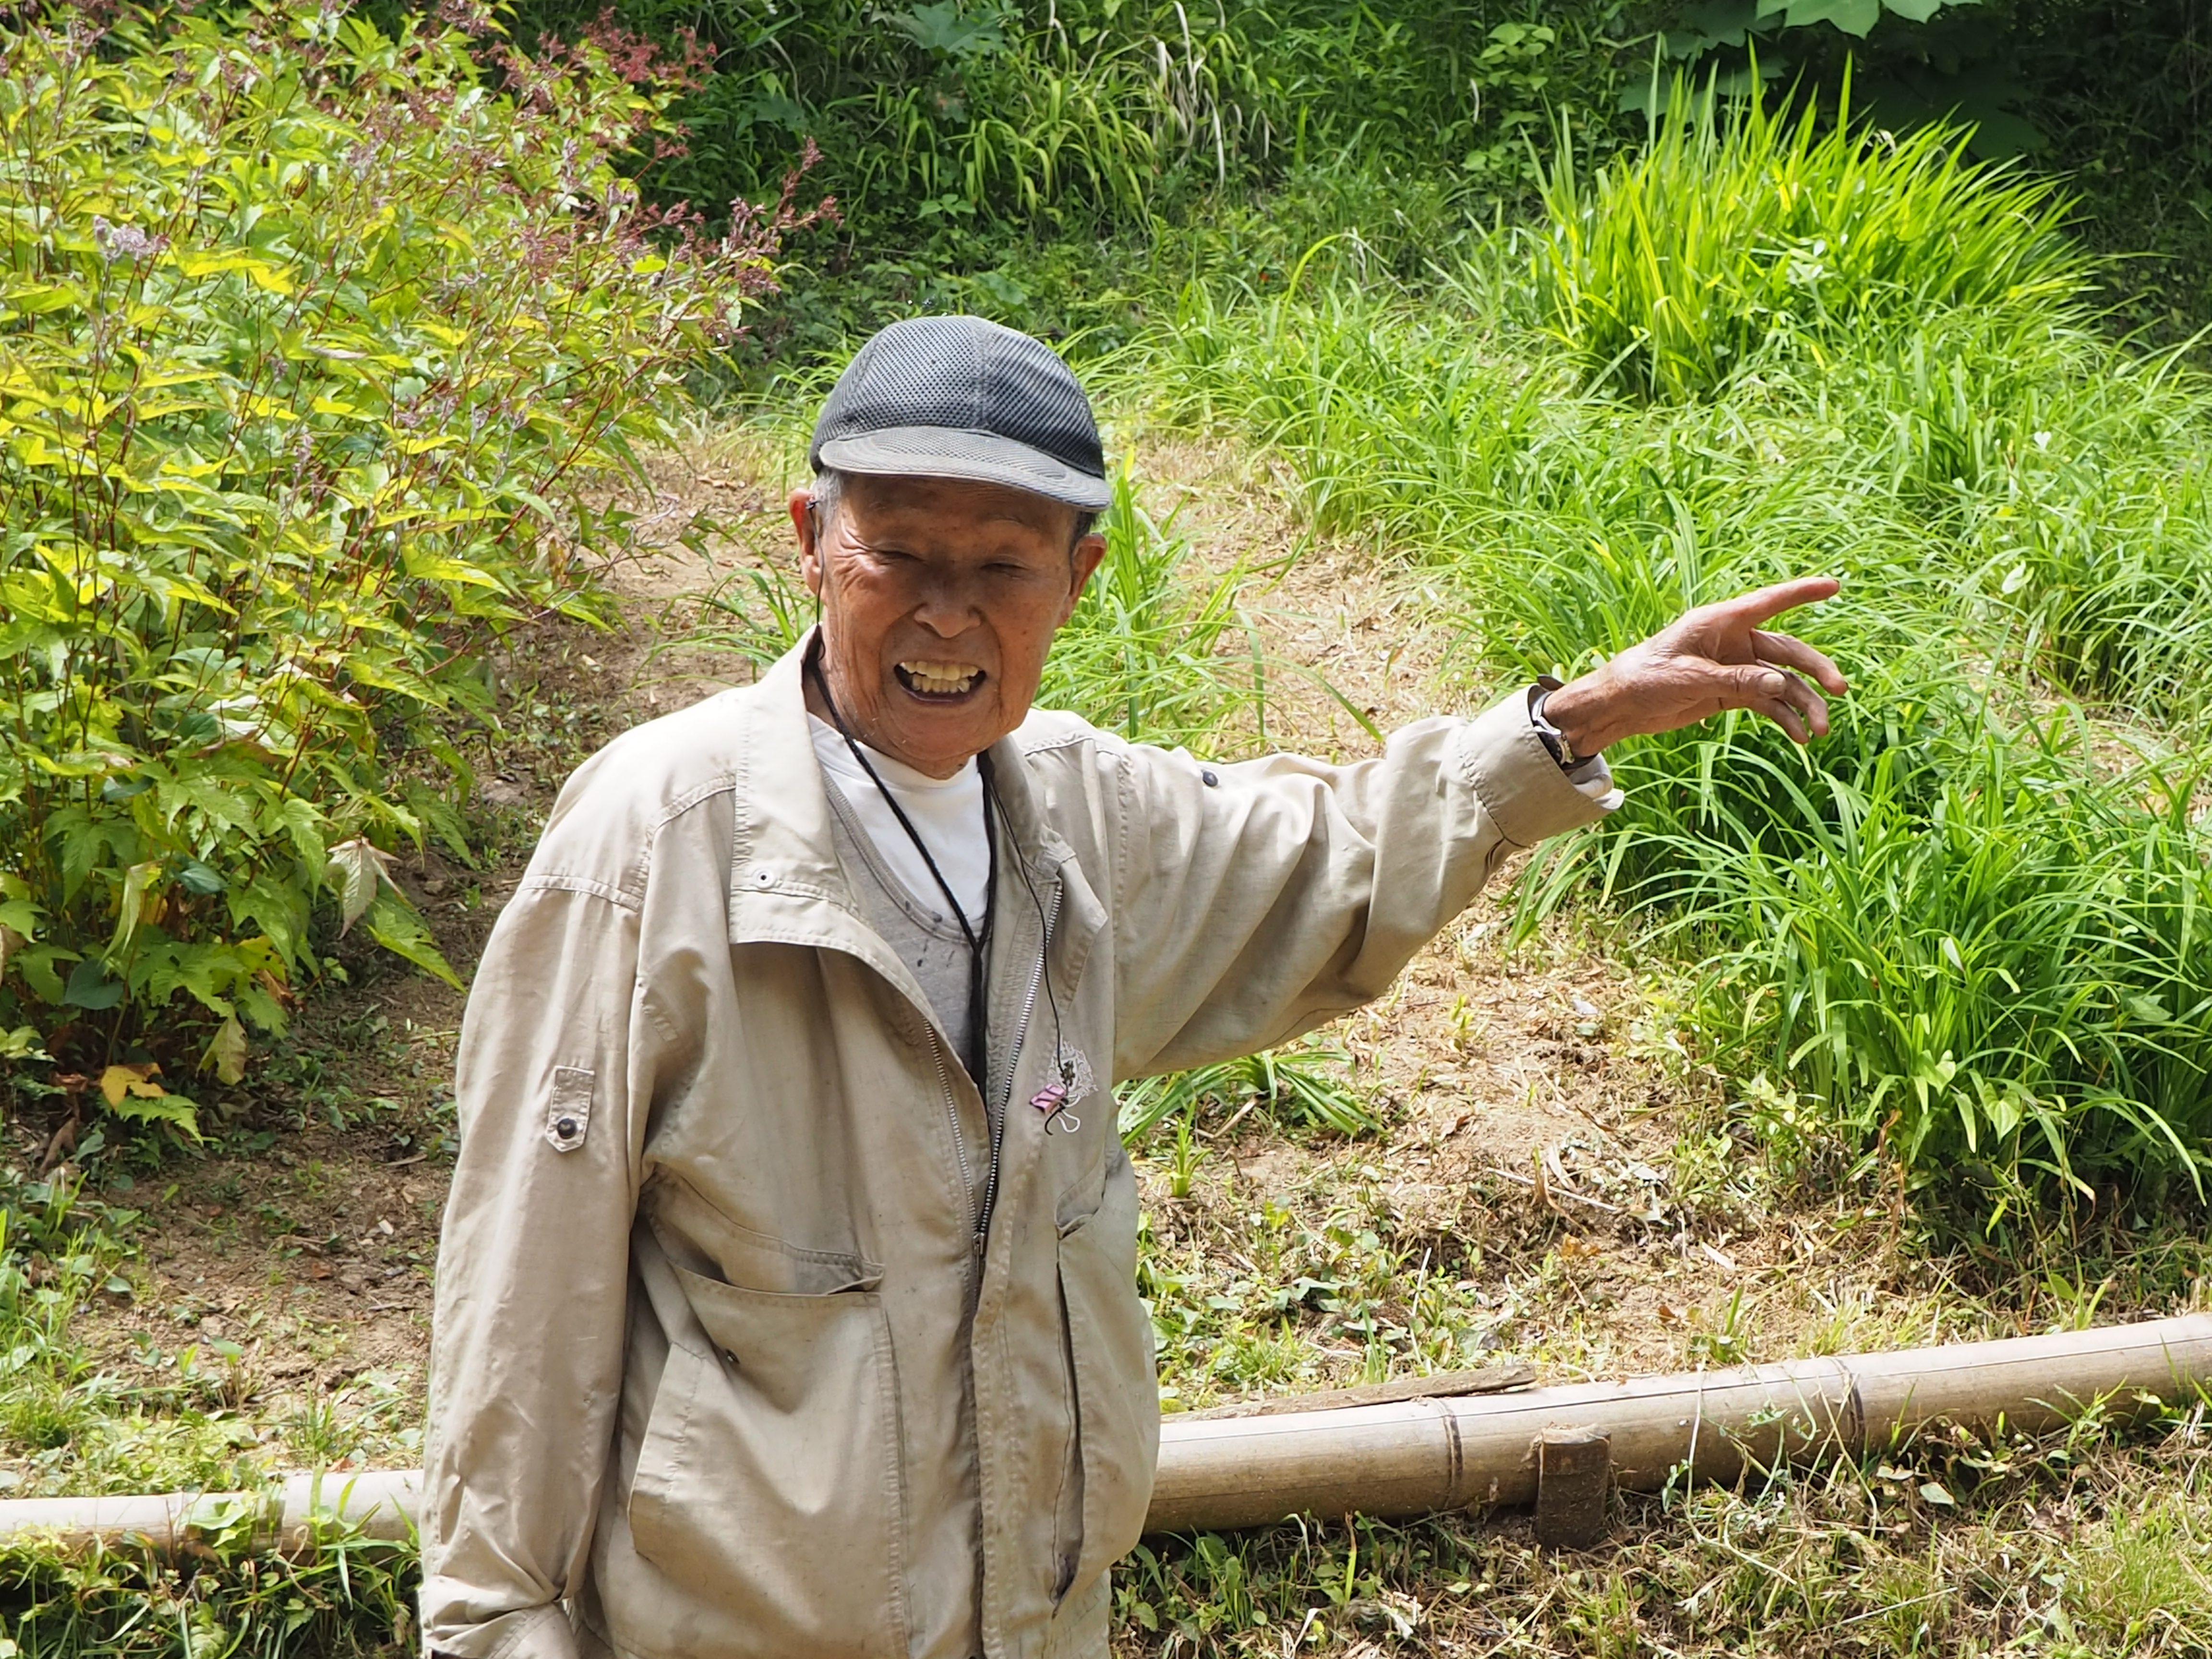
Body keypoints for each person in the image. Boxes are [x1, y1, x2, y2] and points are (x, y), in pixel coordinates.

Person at [419, 315, 1846, 1659]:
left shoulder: (1078, 821)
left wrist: (1563, 723)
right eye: (899, 555)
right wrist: (495, 1623)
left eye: (1003, 569)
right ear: (811, 543)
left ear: (1080, 580)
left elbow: (1325, 855)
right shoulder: (659, 838)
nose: (946, 617)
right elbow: (522, 1288)